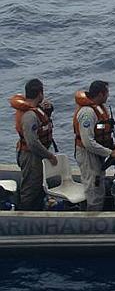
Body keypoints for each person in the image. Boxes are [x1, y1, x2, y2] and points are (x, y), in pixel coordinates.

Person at [72, 80, 115, 211]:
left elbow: (107, 131)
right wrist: (110, 153)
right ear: (100, 94)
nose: (108, 96)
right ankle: (91, 219)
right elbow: (88, 142)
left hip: (98, 153)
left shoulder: (100, 109)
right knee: (93, 187)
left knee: (99, 185)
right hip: (87, 154)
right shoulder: (87, 113)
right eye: (107, 93)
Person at [9, 79, 58, 210]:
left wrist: (47, 112)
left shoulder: (36, 110)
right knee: (30, 188)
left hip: (36, 155)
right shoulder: (30, 115)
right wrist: (49, 156)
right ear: (39, 94)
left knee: (38, 186)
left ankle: (38, 209)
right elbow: (32, 143)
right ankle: (24, 216)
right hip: (30, 156)